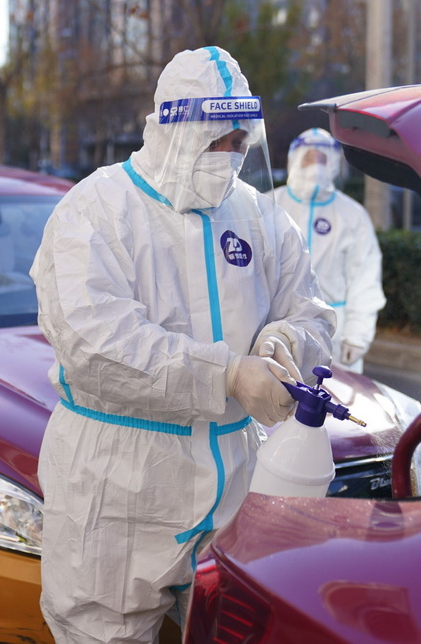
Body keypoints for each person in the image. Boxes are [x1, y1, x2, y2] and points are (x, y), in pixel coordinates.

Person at [30, 46, 335, 644]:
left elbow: (314, 311)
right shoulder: (96, 210)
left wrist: (286, 340)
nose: (229, 156)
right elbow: (96, 345)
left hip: (237, 480)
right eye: (215, 140)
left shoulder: (260, 216)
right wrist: (225, 376)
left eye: (239, 142)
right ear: (171, 128)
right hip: (116, 484)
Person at [272, 127, 386, 372]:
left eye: (323, 160)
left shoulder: (352, 215)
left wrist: (358, 335)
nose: (316, 166)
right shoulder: (269, 204)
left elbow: (364, 278)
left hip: (334, 332)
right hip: (276, 330)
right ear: (295, 160)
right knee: (277, 406)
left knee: (336, 406)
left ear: (335, 164)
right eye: (309, 158)